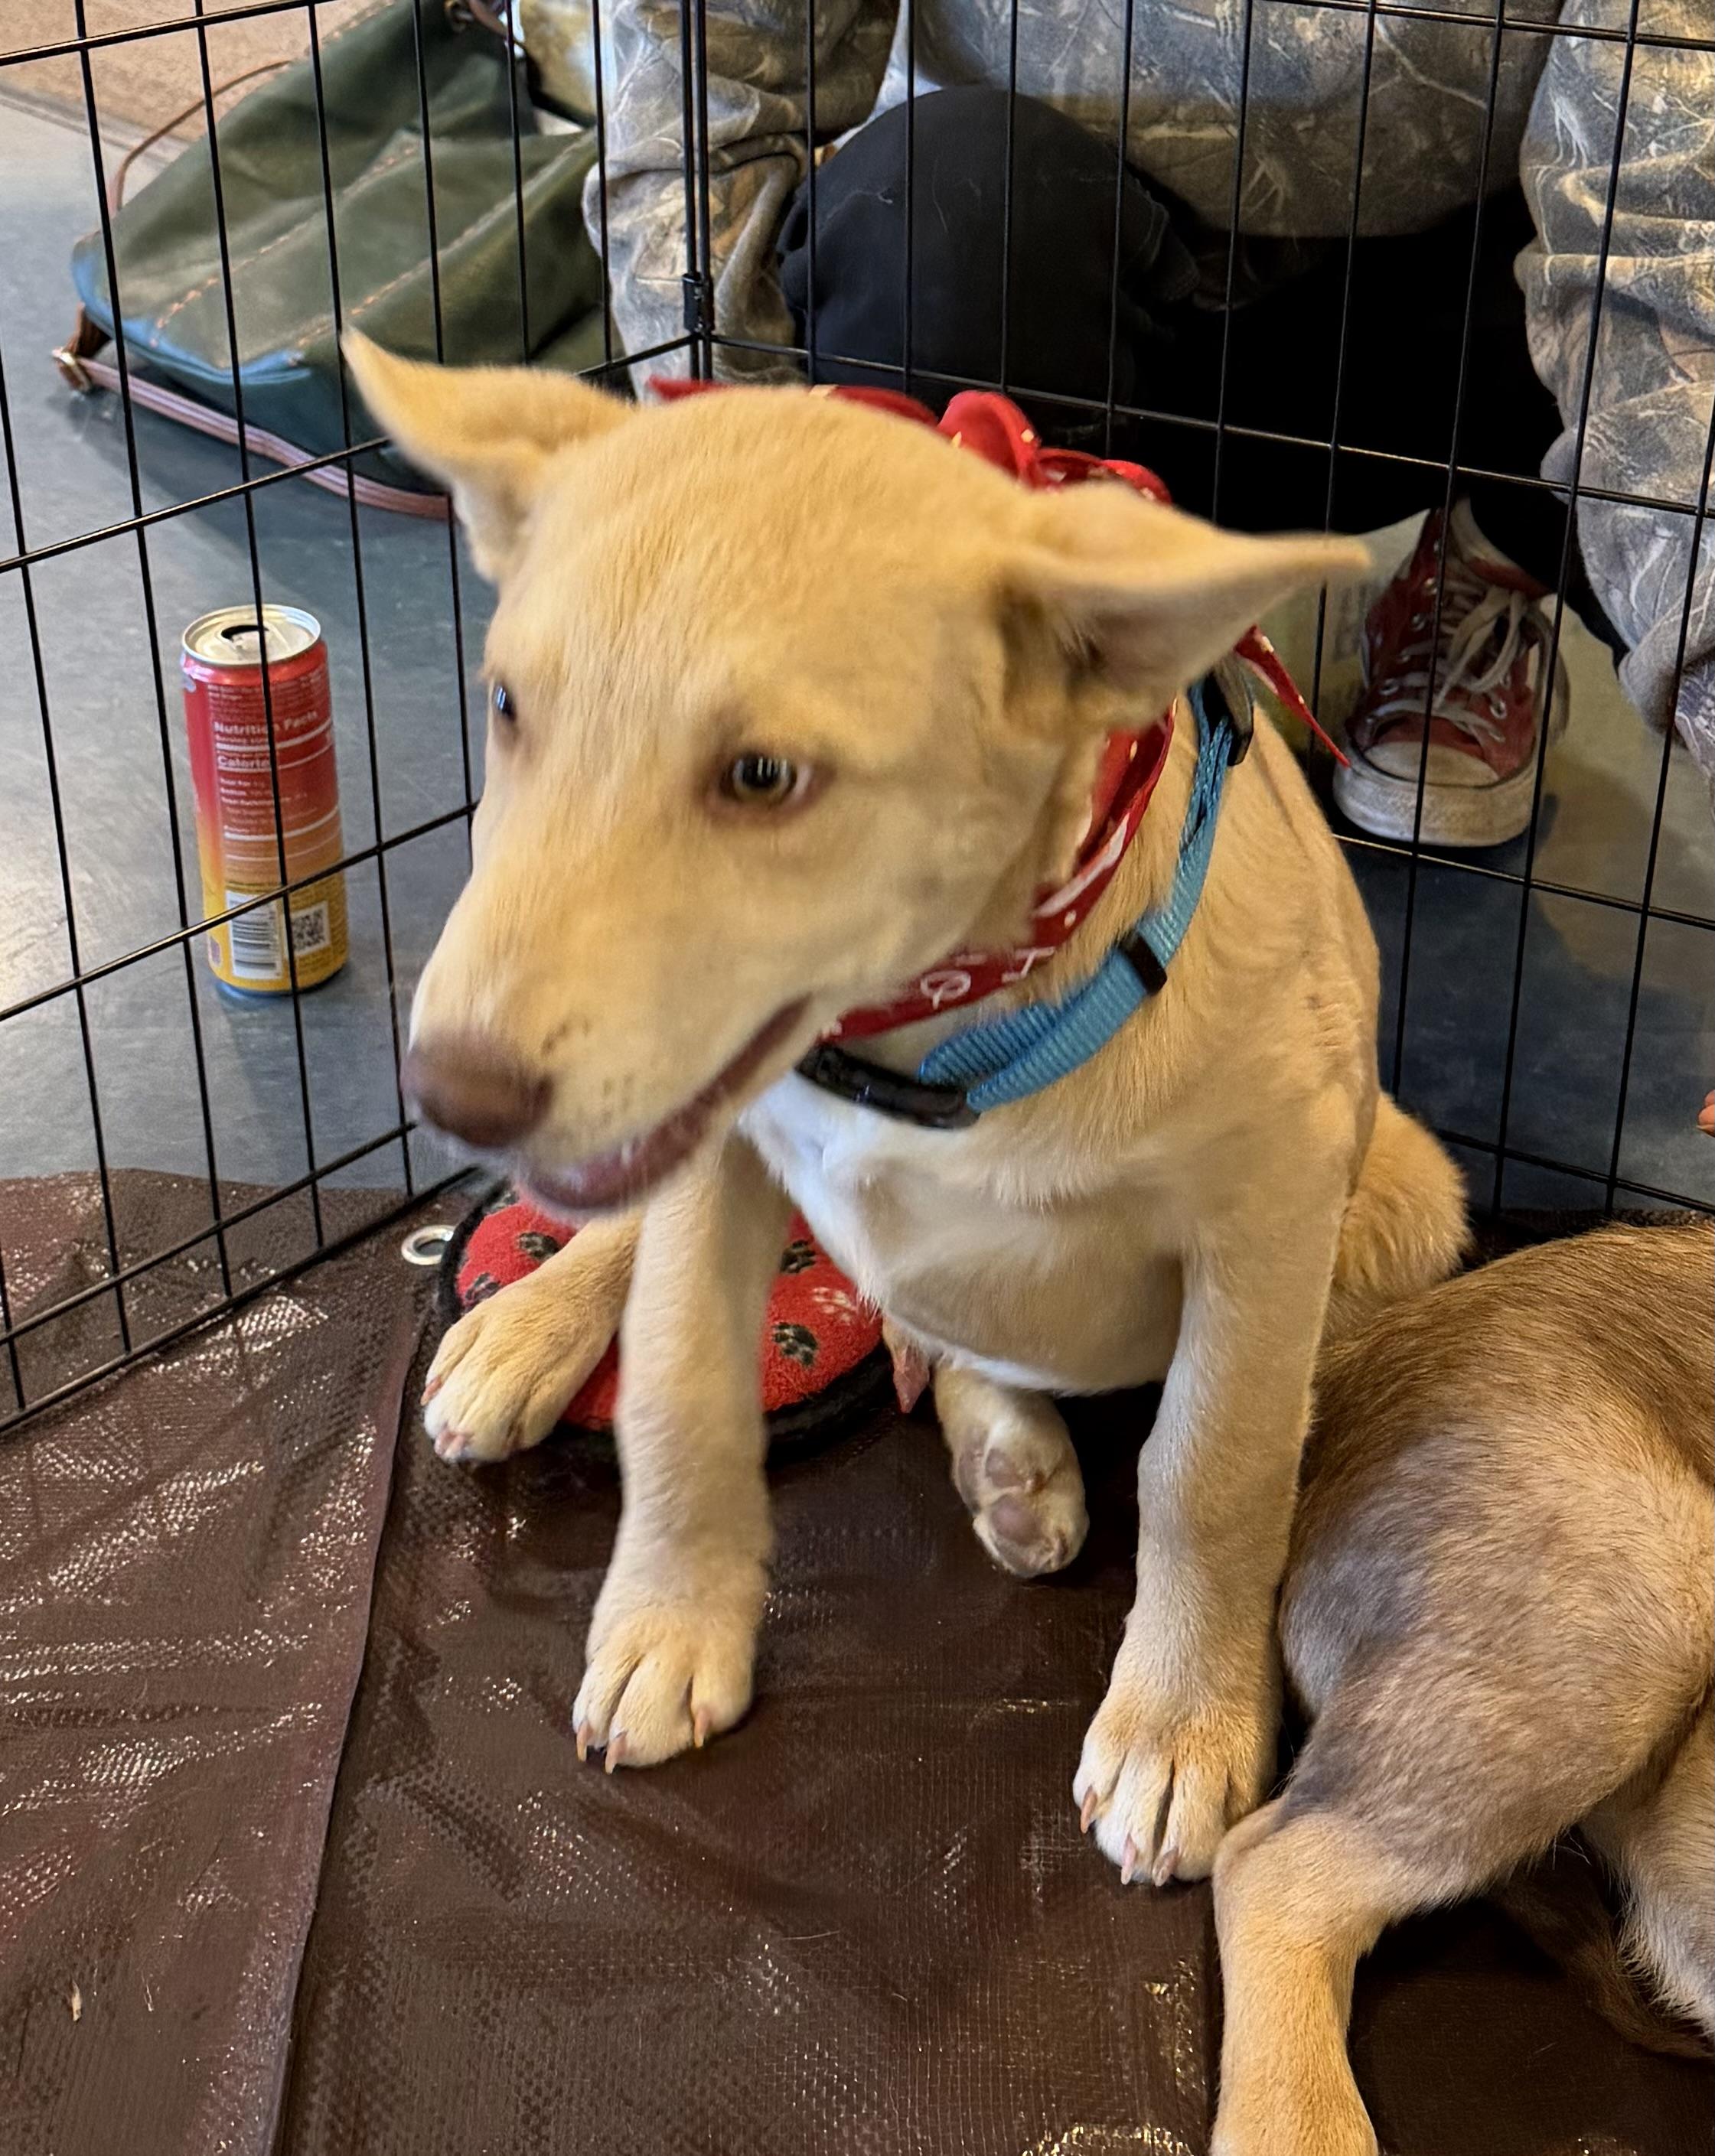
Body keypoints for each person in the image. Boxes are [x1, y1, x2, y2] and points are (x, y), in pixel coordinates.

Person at [582, 0, 1714, 848]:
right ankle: (1034, 654)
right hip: (1056, 290)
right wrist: (726, 535)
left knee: (1631, 235)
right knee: (941, 202)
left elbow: (1663, 240)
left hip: (1427, 326)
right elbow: (700, 88)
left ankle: (1488, 558)